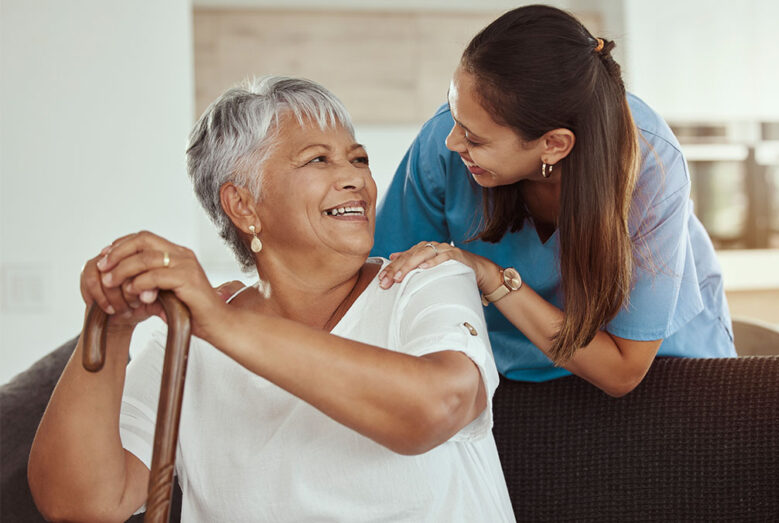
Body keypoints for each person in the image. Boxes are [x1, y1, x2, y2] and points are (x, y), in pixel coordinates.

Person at [28, 76, 515, 522]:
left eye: (358, 158)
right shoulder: (185, 343)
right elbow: (82, 504)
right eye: (318, 159)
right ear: (242, 205)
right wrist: (111, 329)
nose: (356, 179)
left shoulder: (426, 280)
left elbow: (436, 409)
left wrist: (222, 325)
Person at [374, 5, 736, 397]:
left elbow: (621, 371)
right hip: (503, 373)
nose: (451, 141)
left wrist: (490, 277)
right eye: (454, 115)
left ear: (553, 144)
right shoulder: (444, 143)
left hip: (659, 371)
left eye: (475, 139)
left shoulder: (651, 162)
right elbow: (386, 291)